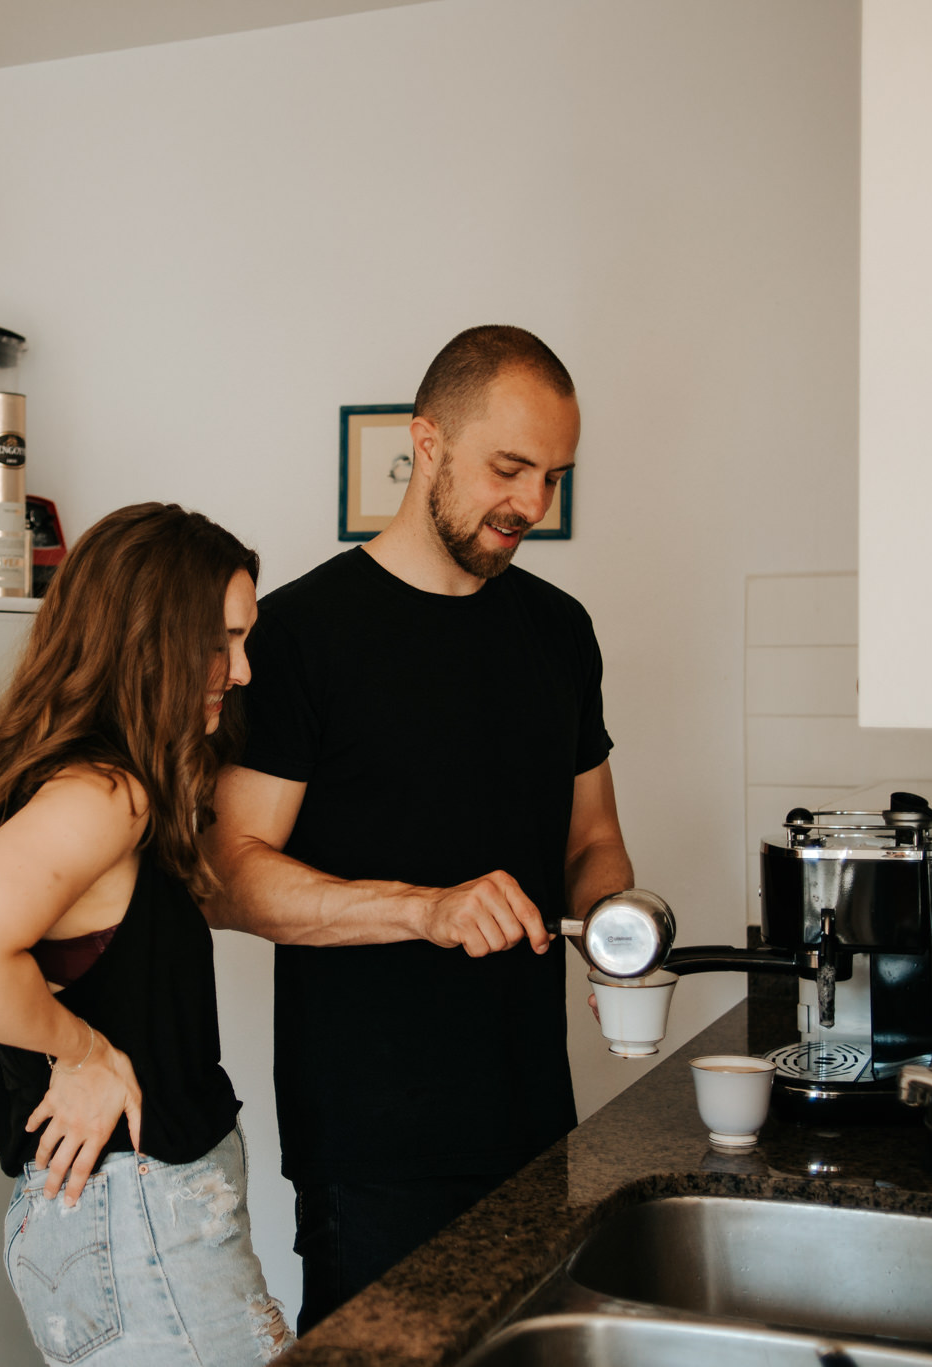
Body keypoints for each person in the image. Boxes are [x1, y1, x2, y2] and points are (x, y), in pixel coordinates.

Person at [205, 325, 636, 1332]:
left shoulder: (557, 629)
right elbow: (227, 875)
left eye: (551, 477)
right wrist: (425, 909)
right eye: (509, 467)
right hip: (369, 1143)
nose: (531, 504)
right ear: (426, 442)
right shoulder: (299, 635)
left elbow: (590, 837)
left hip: (534, 1120)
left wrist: (617, 920)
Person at [0, 502, 294, 1366]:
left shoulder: (87, 780)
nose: (240, 671)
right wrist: (80, 1052)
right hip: (144, 1225)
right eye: (220, 642)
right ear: (148, 639)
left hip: (124, 1221)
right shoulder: (100, 795)